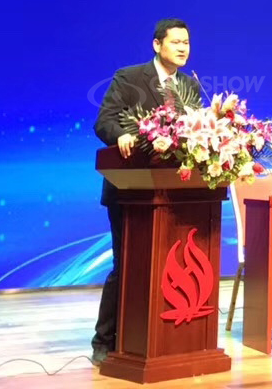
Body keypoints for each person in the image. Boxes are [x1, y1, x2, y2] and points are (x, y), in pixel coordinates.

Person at [91, 18, 203, 364]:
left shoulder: (190, 86)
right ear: (157, 44)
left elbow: (196, 131)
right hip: (131, 190)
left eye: (186, 42)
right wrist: (120, 135)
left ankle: (159, 338)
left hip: (175, 194)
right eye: (176, 42)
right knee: (126, 265)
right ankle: (104, 340)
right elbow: (104, 121)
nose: (183, 48)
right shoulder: (130, 78)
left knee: (170, 268)